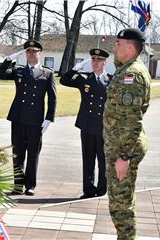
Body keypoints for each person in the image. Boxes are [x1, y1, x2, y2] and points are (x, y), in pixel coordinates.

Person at [103, 28, 150, 239]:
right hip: (120, 147)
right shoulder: (126, 69)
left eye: (118, 44)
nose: (115, 47)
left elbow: (131, 118)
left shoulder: (132, 74)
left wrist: (124, 156)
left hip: (123, 150)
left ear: (130, 47)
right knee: (120, 202)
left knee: (121, 205)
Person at [0, 40, 56, 196]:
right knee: (18, 154)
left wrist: (49, 118)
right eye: (28, 51)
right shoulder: (19, 71)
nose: (31, 54)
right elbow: (0, 74)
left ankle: (30, 185)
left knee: (33, 154)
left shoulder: (47, 73)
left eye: (34, 51)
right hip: (18, 117)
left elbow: (52, 98)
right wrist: (9, 59)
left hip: (36, 121)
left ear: (39, 53)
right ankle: (18, 185)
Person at [60, 48, 112, 199]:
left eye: (99, 60)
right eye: (93, 60)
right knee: (88, 159)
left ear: (105, 63)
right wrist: (76, 68)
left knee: (103, 160)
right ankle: (88, 189)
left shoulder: (111, 80)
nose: (95, 63)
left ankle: (102, 189)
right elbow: (64, 80)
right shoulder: (84, 79)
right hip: (87, 125)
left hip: (104, 126)